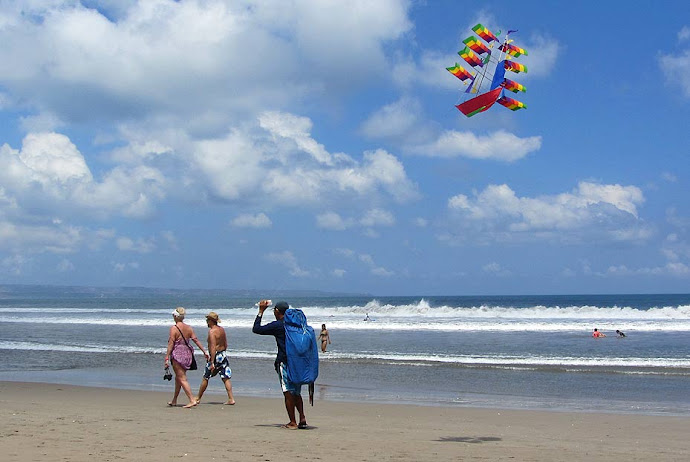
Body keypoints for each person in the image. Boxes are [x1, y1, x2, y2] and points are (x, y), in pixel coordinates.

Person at [252, 300, 307, 430]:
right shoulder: (296, 325)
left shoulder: (278, 325)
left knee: (287, 392)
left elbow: (257, 329)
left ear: (277, 311)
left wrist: (260, 311)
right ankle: (302, 417)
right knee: (296, 393)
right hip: (297, 362)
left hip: (284, 362)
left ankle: (293, 422)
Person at [164, 307, 209, 408]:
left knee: (182, 378)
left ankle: (192, 400)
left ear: (176, 316)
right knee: (178, 377)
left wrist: (167, 357)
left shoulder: (174, 328)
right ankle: (174, 400)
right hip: (187, 353)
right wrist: (204, 351)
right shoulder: (188, 328)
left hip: (178, 354)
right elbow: (196, 340)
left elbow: (171, 344)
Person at [191, 311, 236, 406]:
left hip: (215, 356)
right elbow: (225, 344)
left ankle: (198, 397)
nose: (206, 322)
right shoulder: (222, 329)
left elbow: (212, 347)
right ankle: (231, 398)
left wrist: (211, 361)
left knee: (206, 376)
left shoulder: (212, 332)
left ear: (211, 321)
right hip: (222, 355)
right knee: (225, 377)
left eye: (207, 320)